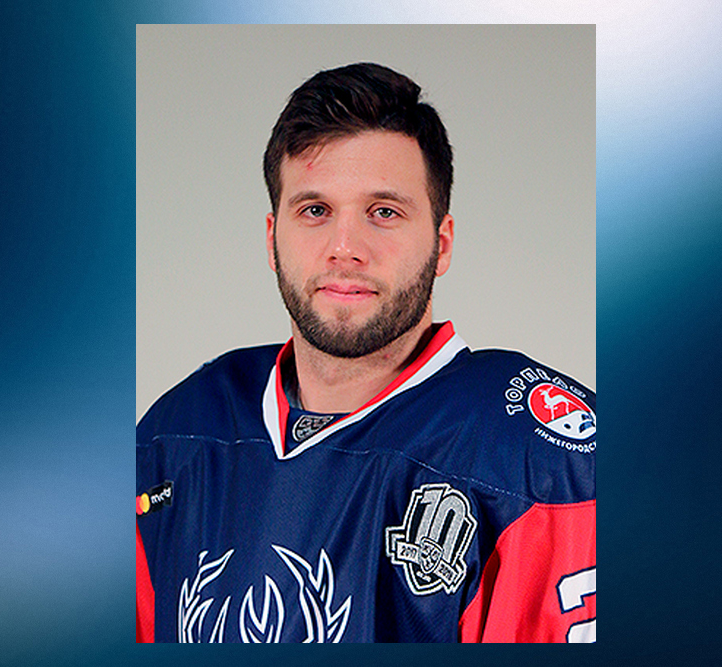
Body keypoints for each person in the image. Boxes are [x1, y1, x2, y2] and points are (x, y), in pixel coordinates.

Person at [137, 62, 595, 643]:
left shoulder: (536, 457)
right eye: (315, 210)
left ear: (442, 243)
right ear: (272, 240)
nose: (345, 248)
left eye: (384, 212)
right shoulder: (178, 433)